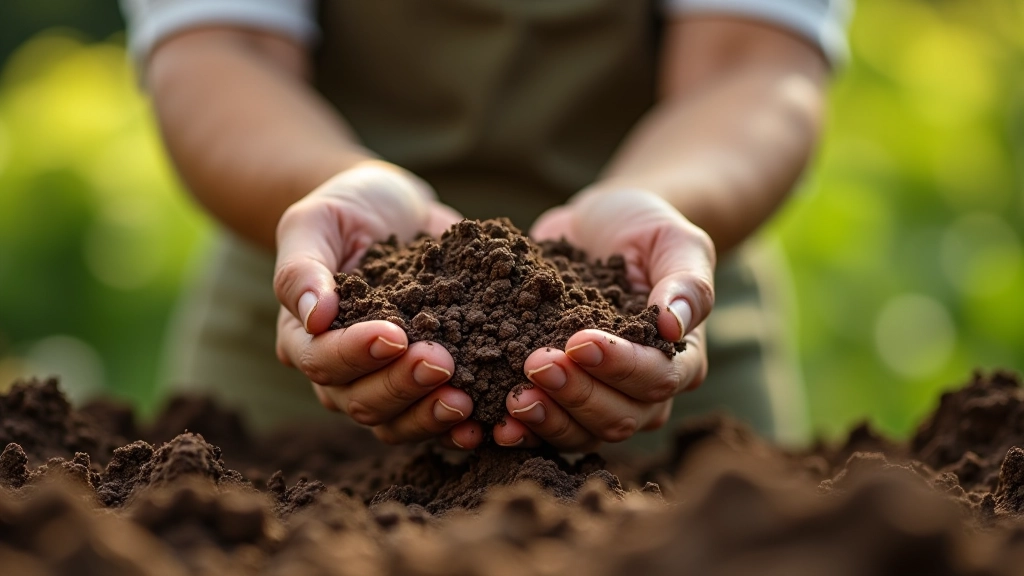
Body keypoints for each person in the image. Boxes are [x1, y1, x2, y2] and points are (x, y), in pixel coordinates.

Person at [122, 0, 848, 452]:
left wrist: (657, 203)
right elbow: (225, 47)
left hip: (663, 359)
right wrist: (332, 193)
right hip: (305, 362)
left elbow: (747, 62)